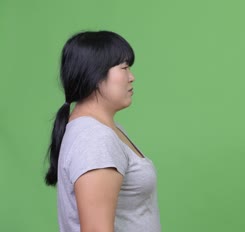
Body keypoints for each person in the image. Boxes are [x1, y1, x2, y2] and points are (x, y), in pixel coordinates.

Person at [44, 31, 161, 232]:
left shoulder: (102, 130)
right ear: (95, 75)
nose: (131, 77)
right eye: (124, 68)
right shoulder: (94, 138)